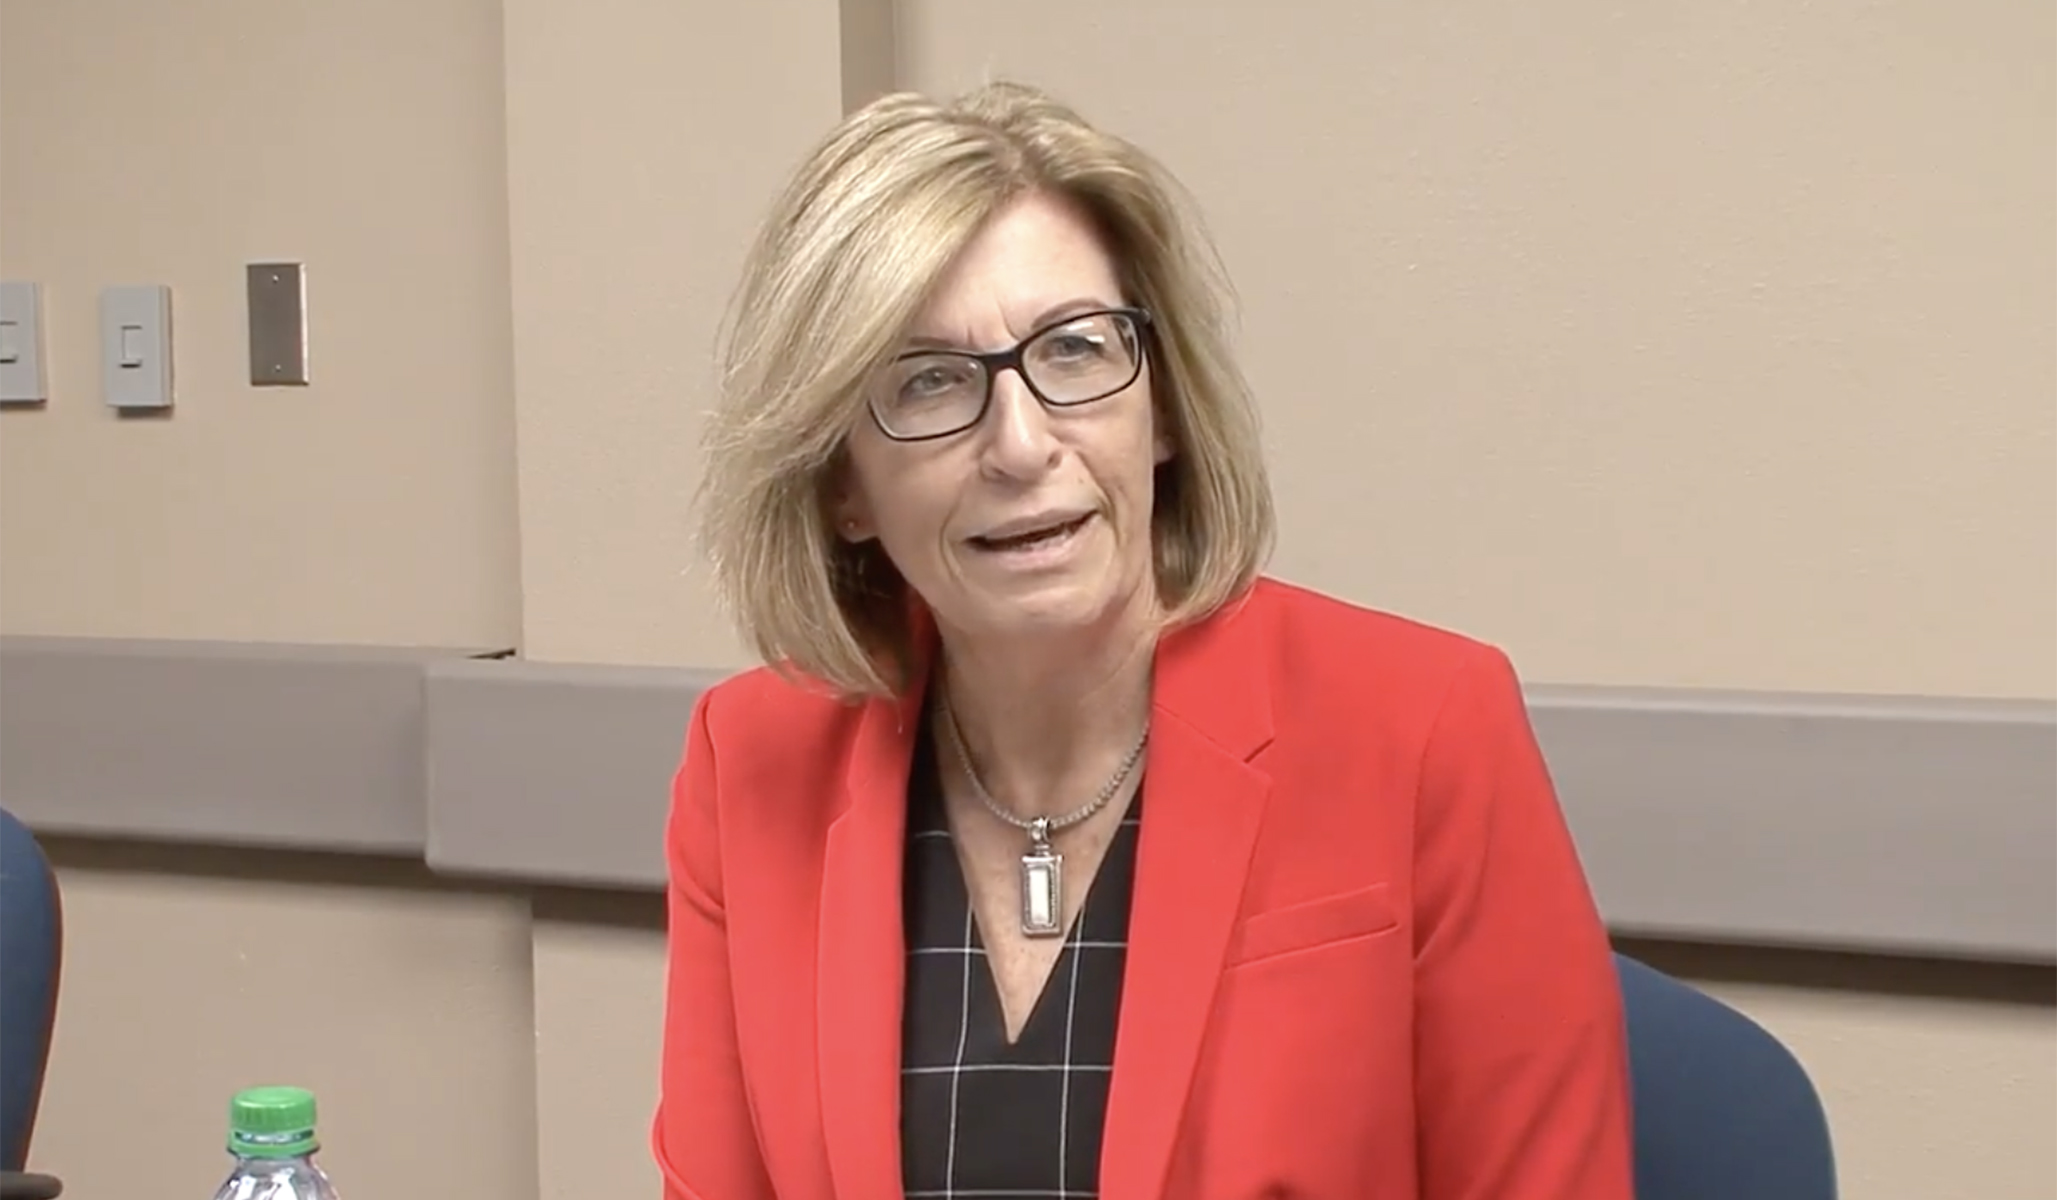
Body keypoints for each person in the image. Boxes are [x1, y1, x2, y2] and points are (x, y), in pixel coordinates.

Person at [654, 80, 1634, 1200]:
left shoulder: (1419, 728)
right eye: (927, 383)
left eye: (1073, 350)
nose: (1020, 446)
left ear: (1160, 407)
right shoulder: (751, 762)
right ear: (842, 485)